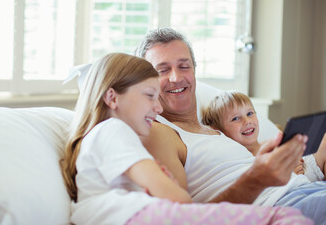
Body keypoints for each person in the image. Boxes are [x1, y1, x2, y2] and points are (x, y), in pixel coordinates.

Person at [59, 52, 312, 225]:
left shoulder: (102, 141)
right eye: (149, 95)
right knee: (282, 217)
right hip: (144, 216)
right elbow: (177, 200)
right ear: (113, 98)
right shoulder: (113, 129)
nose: (158, 108)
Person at [134, 27, 326, 224]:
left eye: (184, 66)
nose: (176, 77)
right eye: (162, 70)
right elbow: (185, 218)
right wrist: (257, 178)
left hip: (306, 188)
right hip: (283, 206)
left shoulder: (215, 129)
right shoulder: (159, 133)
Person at [201, 90, 326, 182]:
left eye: (250, 113)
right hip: (289, 183)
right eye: (236, 118)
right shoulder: (241, 160)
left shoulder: (269, 144)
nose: (247, 121)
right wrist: (290, 175)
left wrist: (296, 159)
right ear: (219, 130)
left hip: (305, 169)